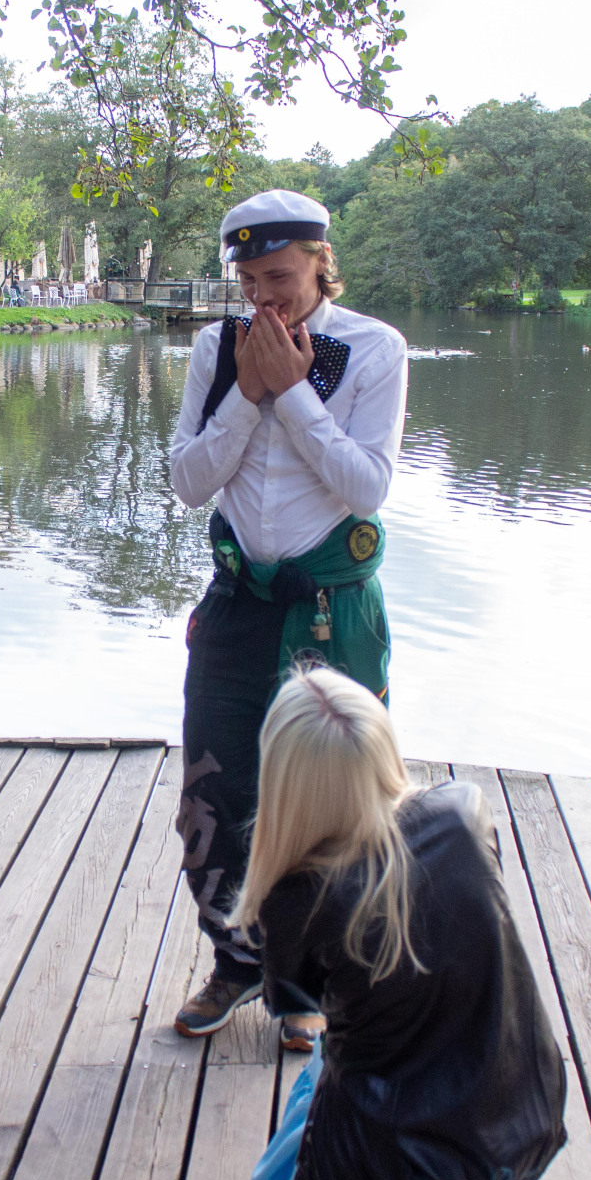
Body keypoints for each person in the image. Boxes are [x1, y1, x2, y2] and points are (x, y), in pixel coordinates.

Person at [167, 189, 407, 1051]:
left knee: (331, 796)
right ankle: (236, 962)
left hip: (330, 609)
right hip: (237, 604)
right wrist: (245, 394)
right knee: (216, 784)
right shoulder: (215, 350)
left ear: (319, 262)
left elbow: (367, 487)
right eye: (250, 282)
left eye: (280, 278)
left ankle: (307, 982)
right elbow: (189, 481)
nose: (265, 299)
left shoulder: (376, 349)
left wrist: (295, 395)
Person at [235, 667, 567, 1180]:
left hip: (388, 1163)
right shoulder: (464, 810)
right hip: (519, 1120)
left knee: (319, 1072)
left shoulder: (297, 903)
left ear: (284, 788)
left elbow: (297, 1001)